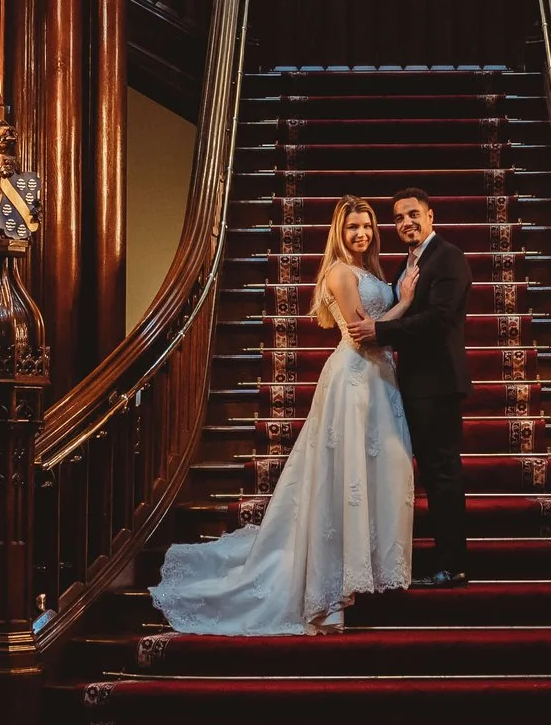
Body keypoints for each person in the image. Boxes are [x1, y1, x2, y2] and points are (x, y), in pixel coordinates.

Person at [149, 197, 418, 634]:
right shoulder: (339, 272)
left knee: (371, 476)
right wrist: (404, 302)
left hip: (380, 383)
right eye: (352, 227)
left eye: (366, 226)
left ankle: (358, 574)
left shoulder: (371, 272)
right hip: (354, 380)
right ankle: (329, 591)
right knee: (343, 481)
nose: (361, 233)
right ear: (338, 231)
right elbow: (361, 332)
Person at [349, 188, 471, 588]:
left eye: (413, 214)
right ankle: (441, 559)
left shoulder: (448, 257)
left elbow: (438, 320)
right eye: (399, 218)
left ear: (431, 215)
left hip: (438, 384)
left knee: (442, 473)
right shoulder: (411, 262)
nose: (406, 223)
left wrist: (380, 331)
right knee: (432, 474)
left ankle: (452, 566)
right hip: (415, 384)